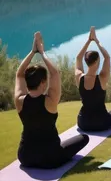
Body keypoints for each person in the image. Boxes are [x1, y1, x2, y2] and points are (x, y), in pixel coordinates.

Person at [16, 32, 89, 168]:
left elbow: (19, 74)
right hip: (50, 157)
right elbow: (55, 73)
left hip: (25, 156)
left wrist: (32, 52)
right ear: (43, 82)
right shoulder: (50, 100)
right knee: (83, 138)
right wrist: (42, 53)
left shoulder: (19, 100)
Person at [75, 27, 111, 132]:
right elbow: (107, 57)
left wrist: (88, 41)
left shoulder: (79, 77)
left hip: (83, 123)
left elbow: (78, 58)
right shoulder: (102, 78)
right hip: (101, 123)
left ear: (86, 61)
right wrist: (96, 40)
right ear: (96, 61)